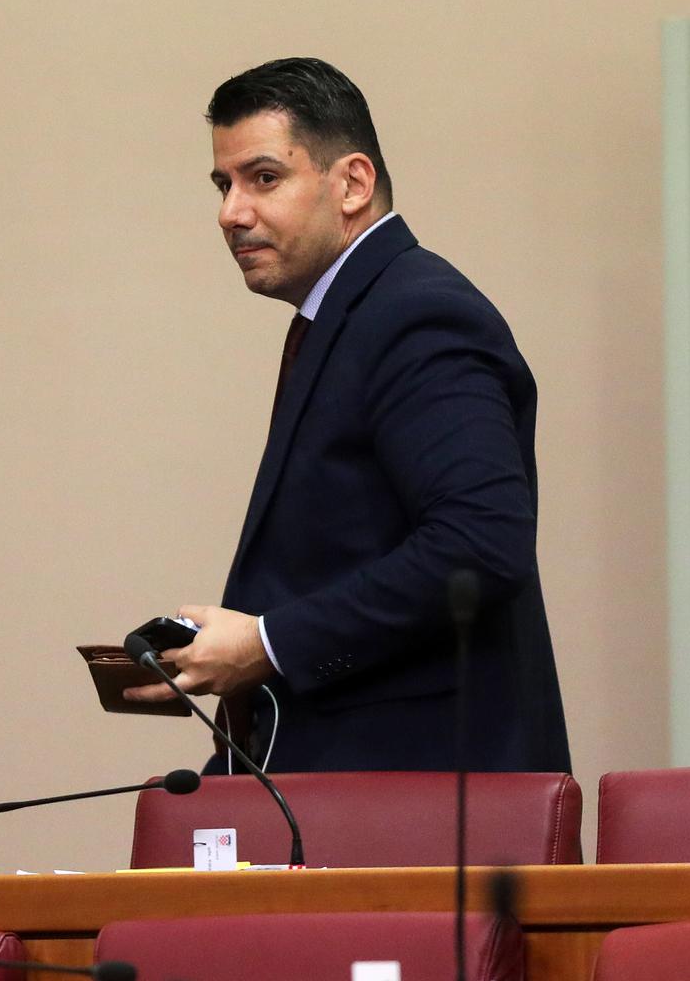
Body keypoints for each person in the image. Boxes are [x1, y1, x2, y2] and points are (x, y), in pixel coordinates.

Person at [125, 57, 569, 774]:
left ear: (353, 184)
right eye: (223, 184)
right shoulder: (354, 313)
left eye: (263, 178)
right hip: (345, 781)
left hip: (423, 796)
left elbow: (480, 543)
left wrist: (266, 644)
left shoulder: (417, 313)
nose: (231, 212)